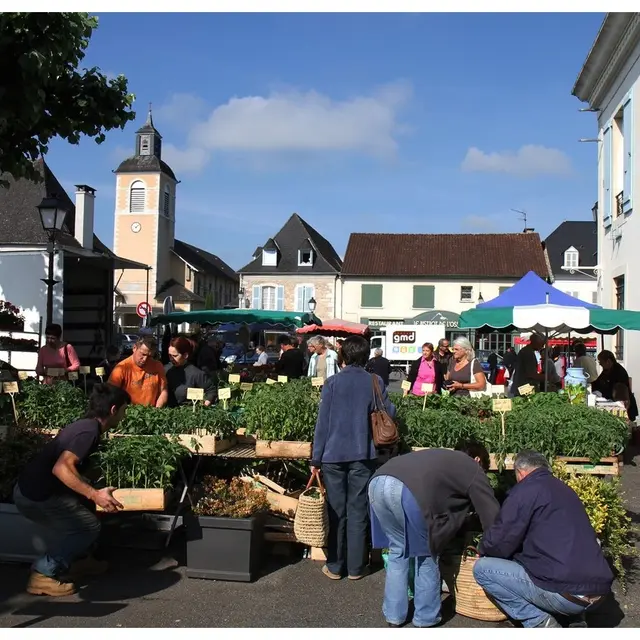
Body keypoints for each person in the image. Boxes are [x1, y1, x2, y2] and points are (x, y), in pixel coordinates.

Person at [13, 384, 131, 597]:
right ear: (114, 410)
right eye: (124, 410)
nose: (124, 415)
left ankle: (79, 561)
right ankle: (43, 574)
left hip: (33, 489)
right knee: (87, 527)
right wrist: (95, 494)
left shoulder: (86, 426)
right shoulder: (89, 431)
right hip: (35, 496)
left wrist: (91, 490)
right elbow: (61, 468)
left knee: (85, 506)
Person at [474, 450, 613, 628]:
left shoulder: (525, 491)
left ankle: (540, 623)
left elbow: (500, 542)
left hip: (567, 594)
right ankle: (575, 619)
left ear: (520, 472)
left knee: (483, 569)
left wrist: (483, 548)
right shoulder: (565, 490)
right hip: (599, 592)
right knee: (558, 562)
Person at [369, 441, 500, 628]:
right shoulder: (472, 467)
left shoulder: (442, 457)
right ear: (478, 459)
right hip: (407, 490)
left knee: (398, 551)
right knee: (427, 554)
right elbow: (491, 515)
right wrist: (491, 546)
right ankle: (426, 618)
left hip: (378, 481)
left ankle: (394, 616)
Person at [311, 335, 396, 582]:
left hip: (332, 455)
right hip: (364, 454)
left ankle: (336, 566)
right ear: (366, 356)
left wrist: (316, 460)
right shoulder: (375, 381)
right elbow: (390, 411)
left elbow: (322, 424)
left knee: (336, 510)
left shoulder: (332, 383)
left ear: (343, 356)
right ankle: (357, 567)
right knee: (358, 509)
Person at [108, 335, 168, 407]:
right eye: (143, 354)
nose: (145, 359)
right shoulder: (121, 368)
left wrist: (157, 411)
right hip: (129, 412)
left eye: (149, 356)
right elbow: (110, 394)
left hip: (151, 412)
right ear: (134, 348)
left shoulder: (157, 366)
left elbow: (163, 391)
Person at [164, 337, 216, 407]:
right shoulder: (165, 369)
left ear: (185, 355)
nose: (171, 359)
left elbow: (211, 391)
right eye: (169, 355)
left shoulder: (196, 374)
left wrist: (204, 405)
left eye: (175, 356)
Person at [591, 350, 638, 421]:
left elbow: (616, 390)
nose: (600, 364)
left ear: (608, 361)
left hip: (625, 406)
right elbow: (597, 383)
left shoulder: (619, 371)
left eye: (601, 362)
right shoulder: (607, 370)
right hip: (614, 402)